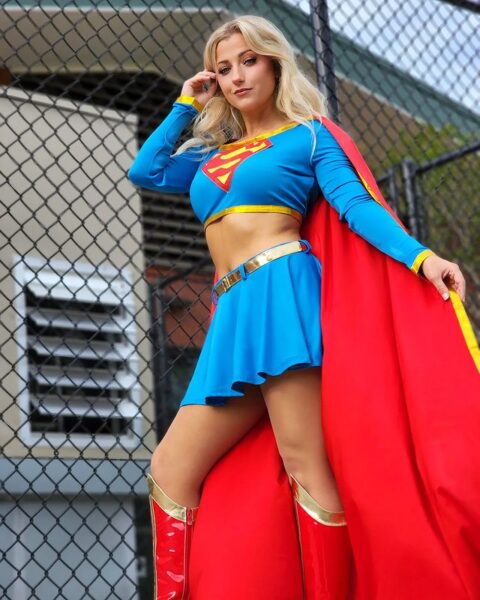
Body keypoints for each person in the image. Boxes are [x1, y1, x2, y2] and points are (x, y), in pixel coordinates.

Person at [128, 14, 480, 600]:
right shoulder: (211, 155)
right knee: (170, 469)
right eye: (224, 68)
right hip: (230, 313)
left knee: (305, 466)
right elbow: (148, 170)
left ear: (274, 64)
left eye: (249, 61)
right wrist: (187, 104)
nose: (237, 76)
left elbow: (355, 206)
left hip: (282, 296)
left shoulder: (309, 135)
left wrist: (423, 259)